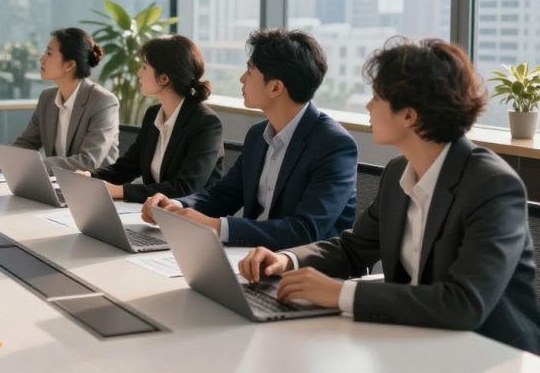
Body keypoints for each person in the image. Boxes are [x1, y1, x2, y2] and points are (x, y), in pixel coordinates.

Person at [239, 38, 540, 353]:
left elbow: (463, 303)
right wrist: (287, 259)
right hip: (416, 338)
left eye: (377, 97)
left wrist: (341, 294)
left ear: (408, 116)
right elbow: (354, 248)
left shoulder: (492, 186)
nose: (368, 106)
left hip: (490, 352)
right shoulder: (398, 172)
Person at [142, 28, 357, 250]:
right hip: (248, 256)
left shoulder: (334, 145)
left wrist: (219, 227)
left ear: (275, 87)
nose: (242, 78)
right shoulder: (258, 134)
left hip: (303, 269)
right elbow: (226, 193)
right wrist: (176, 205)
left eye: (250, 71)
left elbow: (305, 230)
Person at [81, 34, 224, 203]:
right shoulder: (153, 115)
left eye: (145, 67)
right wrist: (89, 176)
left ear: (164, 79)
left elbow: (184, 188)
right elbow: (127, 168)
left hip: (191, 220)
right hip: (153, 214)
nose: (139, 73)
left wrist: (120, 191)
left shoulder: (206, 123)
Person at [0, 28, 119, 173]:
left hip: (95, 189)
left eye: (49, 53)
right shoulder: (47, 98)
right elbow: (27, 142)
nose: (41, 59)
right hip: (56, 185)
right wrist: (4, 157)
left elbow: (88, 162)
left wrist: (26, 165)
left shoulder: (103, 102)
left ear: (69, 65)